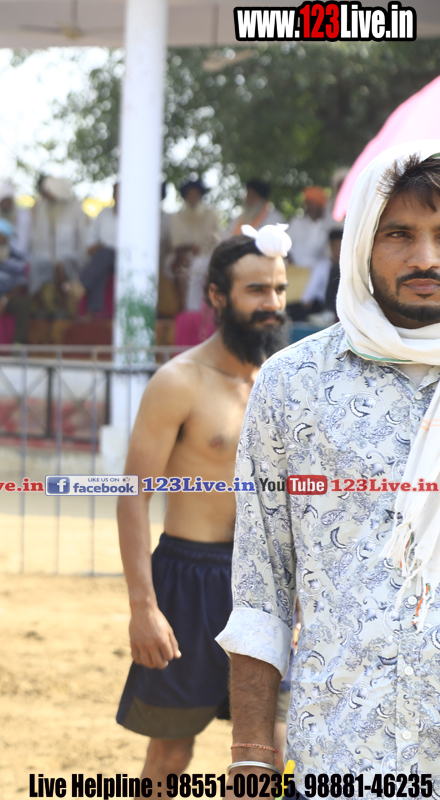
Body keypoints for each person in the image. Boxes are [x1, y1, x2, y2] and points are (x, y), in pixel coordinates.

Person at [217, 142, 440, 777]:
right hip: (340, 759)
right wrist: (253, 757)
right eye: (399, 234)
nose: (426, 258)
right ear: (363, 241)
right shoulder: (293, 384)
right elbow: (261, 586)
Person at [115, 224, 291, 778]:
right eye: (256, 290)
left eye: (279, 289)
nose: (272, 303)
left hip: (267, 584)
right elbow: (132, 498)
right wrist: (143, 608)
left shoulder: (286, 382)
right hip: (189, 582)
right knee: (171, 753)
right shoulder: (179, 381)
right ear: (217, 295)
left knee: (272, 751)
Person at [28, 176, 89, 294]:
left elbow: (82, 237)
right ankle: (38, 300)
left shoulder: (75, 208)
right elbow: (38, 238)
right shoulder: (42, 208)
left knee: (60, 266)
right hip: (46, 257)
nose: (46, 196)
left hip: (70, 257)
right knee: (34, 265)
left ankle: (65, 297)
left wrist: (83, 260)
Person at [168, 179, 221, 313]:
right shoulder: (177, 216)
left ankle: (201, 310)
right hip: (185, 255)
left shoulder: (211, 214)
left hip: (209, 256)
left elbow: (217, 240)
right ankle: (188, 309)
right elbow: (177, 243)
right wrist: (189, 249)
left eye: (195, 194)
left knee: (202, 266)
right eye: (189, 194)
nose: (193, 197)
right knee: (182, 268)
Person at [285, 185, 334, 316]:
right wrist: (290, 260)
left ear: (320, 204)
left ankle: (308, 303)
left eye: (312, 203)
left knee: (324, 267)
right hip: (295, 265)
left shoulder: (330, 224)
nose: (308, 206)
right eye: (307, 203)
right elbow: (285, 245)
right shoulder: (297, 222)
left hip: (317, 268)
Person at [82, 184, 120, 315]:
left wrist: (105, 246)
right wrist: (95, 247)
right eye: (116, 193)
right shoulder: (104, 213)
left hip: (123, 258)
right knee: (101, 266)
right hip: (103, 257)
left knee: (104, 254)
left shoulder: (133, 217)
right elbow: (91, 239)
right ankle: (95, 310)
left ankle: (81, 285)